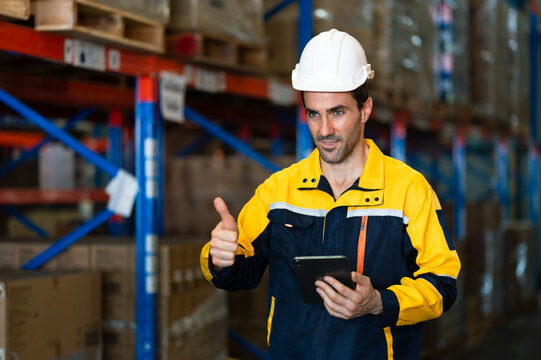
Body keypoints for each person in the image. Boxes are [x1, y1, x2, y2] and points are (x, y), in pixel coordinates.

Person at [200, 29, 461, 359]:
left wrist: (379, 302)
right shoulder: (279, 191)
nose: (324, 130)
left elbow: (443, 284)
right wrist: (219, 258)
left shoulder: (409, 190)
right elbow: (239, 274)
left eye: (337, 112)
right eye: (314, 113)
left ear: (365, 110)